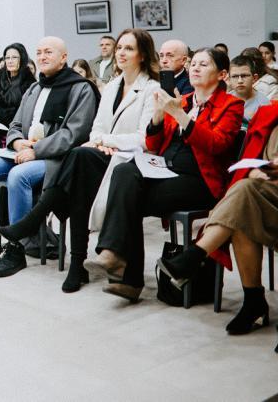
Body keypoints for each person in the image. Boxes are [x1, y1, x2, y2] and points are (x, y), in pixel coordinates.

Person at [0, 29, 160, 292]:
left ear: (142, 55)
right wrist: (101, 141)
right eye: (119, 47)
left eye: (128, 48)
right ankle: (76, 264)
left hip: (131, 162)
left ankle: (40, 225)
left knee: (78, 159)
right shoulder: (111, 87)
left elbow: (144, 139)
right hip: (103, 155)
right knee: (79, 173)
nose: (120, 53)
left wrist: (106, 142)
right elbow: (95, 129)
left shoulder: (151, 89)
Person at [84, 48, 243, 302]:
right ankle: (116, 260)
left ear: (222, 74)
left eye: (204, 64)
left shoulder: (231, 105)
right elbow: (153, 143)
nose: (195, 68)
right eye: (194, 64)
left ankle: (125, 272)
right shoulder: (184, 100)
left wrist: (179, 115)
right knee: (125, 171)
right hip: (166, 170)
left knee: (129, 197)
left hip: (201, 181)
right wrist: (158, 116)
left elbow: (217, 144)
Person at [0, 37, 99, 277]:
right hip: (23, 150)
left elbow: (75, 133)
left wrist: (37, 149)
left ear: (64, 57)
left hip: (56, 159)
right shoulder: (35, 88)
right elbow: (15, 123)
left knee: (18, 176)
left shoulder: (80, 88)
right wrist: (15, 140)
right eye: (39, 52)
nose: (42, 57)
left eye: (49, 52)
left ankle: (16, 246)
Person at [156, 102, 278, 335]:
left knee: (242, 198)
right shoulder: (270, 116)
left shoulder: (230, 106)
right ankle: (252, 299)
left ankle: (194, 255)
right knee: (242, 207)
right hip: (265, 196)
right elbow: (252, 163)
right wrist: (260, 171)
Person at [229, 55, 271, 128]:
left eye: (244, 76)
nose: (240, 81)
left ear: (254, 78)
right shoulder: (225, 100)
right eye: (235, 76)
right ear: (229, 79)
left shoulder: (264, 105)